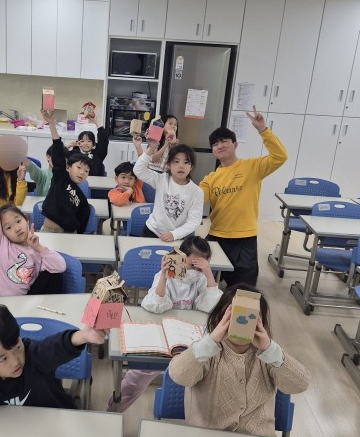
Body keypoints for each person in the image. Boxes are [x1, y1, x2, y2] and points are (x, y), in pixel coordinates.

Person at [168, 284, 310, 437]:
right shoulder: (207, 351)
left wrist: (271, 351)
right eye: (231, 317)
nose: (241, 322)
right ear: (218, 319)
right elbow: (179, 375)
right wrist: (210, 342)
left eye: (252, 318)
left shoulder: (268, 355)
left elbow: (301, 384)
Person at [0, 305, 106, 427]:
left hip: (56, 428)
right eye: (2, 359)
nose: (15, 361)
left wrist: (82, 336)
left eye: (17, 347)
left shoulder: (34, 357)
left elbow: (53, 347)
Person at [109, 235, 223, 412]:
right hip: (162, 335)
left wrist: (208, 274)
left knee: (208, 372)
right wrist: (163, 276)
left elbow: (211, 306)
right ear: (180, 259)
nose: (195, 271)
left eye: (201, 266)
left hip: (188, 339)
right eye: (192, 265)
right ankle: (114, 409)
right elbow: (154, 305)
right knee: (138, 375)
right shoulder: (166, 277)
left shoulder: (201, 279)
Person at [199, 106, 287, 286]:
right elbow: (194, 198)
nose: (220, 146)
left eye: (224, 141)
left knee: (244, 288)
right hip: (217, 235)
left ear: (235, 144)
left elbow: (280, 156)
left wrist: (263, 130)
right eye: (215, 144)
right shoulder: (210, 178)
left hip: (244, 237)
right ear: (213, 150)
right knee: (198, 278)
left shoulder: (252, 167)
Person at [0, 183, 66, 296]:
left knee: (55, 275)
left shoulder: (36, 250)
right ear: (3, 233)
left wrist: (40, 248)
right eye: (8, 228)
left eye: (18, 221)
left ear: (26, 219)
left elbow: (60, 267)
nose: (17, 229)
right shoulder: (1, 244)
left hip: (23, 300)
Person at [133, 141, 203, 241]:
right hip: (152, 231)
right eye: (176, 161)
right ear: (169, 165)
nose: (181, 166)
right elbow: (138, 170)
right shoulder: (161, 180)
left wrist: (174, 234)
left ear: (191, 167)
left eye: (186, 162)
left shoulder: (197, 191)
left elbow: (194, 221)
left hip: (179, 237)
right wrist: (151, 148)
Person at [40, 109, 92, 233]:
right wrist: (51, 124)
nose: (82, 172)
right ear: (67, 167)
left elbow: (83, 218)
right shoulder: (60, 177)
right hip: (50, 232)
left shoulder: (81, 198)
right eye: (79, 167)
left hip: (69, 235)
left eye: (86, 171)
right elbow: (58, 150)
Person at [66, 110, 109, 176]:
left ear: (93, 144)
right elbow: (58, 155)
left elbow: (103, 140)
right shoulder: (74, 153)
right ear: (79, 143)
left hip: (94, 181)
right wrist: (69, 145)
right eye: (82, 141)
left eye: (89, 141)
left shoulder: (98, 154)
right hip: (76, 181)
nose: (86, 143)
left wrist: (96, 121)